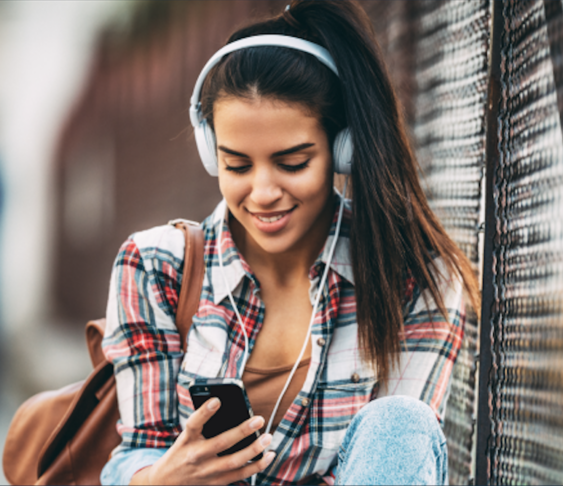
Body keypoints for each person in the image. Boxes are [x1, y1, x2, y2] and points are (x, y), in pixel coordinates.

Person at [100, 1, 480, 484]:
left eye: (293, 163)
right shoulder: (155, 266)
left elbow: (392, 462)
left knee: (400, 424)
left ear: (342, 148)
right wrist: (164, 476)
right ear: (210, 155)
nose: (262, 193)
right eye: (237, 165)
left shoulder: (415, 276)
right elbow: (134, 455)